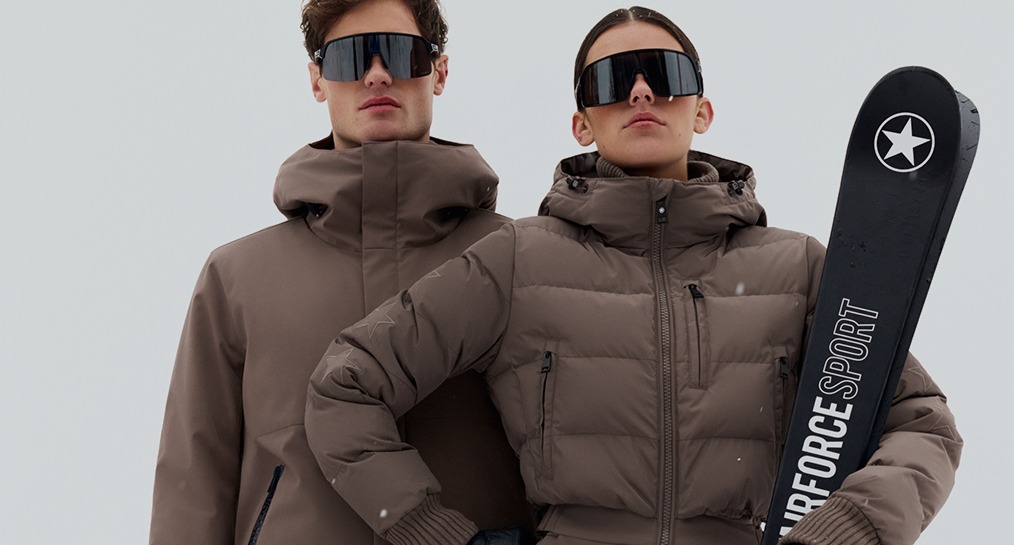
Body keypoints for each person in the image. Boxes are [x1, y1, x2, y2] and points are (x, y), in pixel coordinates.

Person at [303, 5, 962, 545]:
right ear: (581, 124)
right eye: (612, 81)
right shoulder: (519, 260)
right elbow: (346, 387)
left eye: (663, 73)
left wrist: (847, 530)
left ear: (702, 110)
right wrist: (434, 531)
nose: (641, 91)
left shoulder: (795, 267)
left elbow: (923, 424)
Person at [149, 0, 534, 543]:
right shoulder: (237, 277)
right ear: (317, 80)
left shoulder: (518, 258)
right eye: (350, 57)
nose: (377, 74)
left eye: (401, 52)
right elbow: (193, 484)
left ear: (439, 71)